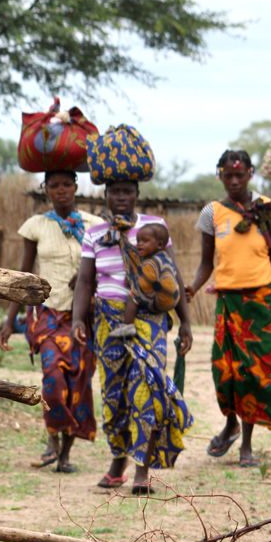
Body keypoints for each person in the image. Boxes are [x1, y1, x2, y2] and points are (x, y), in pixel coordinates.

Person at [72, 180, 193, 495]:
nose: (121, 197)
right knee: (113, 393)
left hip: (150, 321)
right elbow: (85, 281)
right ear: (106, 195)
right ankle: (117, 462)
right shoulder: (96, 234)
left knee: (147, 388)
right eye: (115, 192)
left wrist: (186, 323)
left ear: (137, 195)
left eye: (128, 192)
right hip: (107, 322)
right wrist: (76, 319)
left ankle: (142, 469)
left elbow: (172, 275)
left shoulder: (155, 228)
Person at [186, 150, 271, 468]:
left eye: (240, 175)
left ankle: (246, 444)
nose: (234, 181)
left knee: (254, 373)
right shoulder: (212, 213)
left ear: (251, 174)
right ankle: (231, 423)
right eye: (228, 176)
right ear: (219, 175)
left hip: (261, 303)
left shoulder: (266, 210)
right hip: (227, 303)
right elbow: (206, 263)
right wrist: (193, 287)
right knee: (224, 371)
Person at [0, 170, 103, 473]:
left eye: (66, 184)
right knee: (53, 379)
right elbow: (24, 275)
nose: (61, 190)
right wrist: (9, 321)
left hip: (83, 318)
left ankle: (66, 454)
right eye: (54, 185)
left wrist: (87, 277)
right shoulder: (36, 227)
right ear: (46, 190)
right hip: (47, 316)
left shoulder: (95, 227)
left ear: (75, 186)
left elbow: (109, 267)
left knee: (78, 384)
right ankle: (52, 439)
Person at [107, 222, 178, 338]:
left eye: (145, 241)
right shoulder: (166, 258)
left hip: (159, 299)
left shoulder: (151, 263)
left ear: (159, 245)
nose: (139, 244)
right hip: (170, 301)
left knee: (133, 297)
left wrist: (130, 280)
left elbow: (142, 281)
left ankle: (128, 325)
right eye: (138, 241)